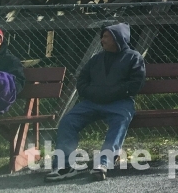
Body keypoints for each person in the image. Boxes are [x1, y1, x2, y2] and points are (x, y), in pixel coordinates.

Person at [46, 23, 145, 182]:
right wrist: (93, 93)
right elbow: (82, 81)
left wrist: (110, 94)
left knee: (120, 122)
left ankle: (103, 164)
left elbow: (135, 84)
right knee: (68, 121)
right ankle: (65, 166)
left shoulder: (134, 57)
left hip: (120, 103)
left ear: (118, 38)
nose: (102, 40)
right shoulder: (96, 59)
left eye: (106, 36)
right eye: (103, 36)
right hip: (92, 102)